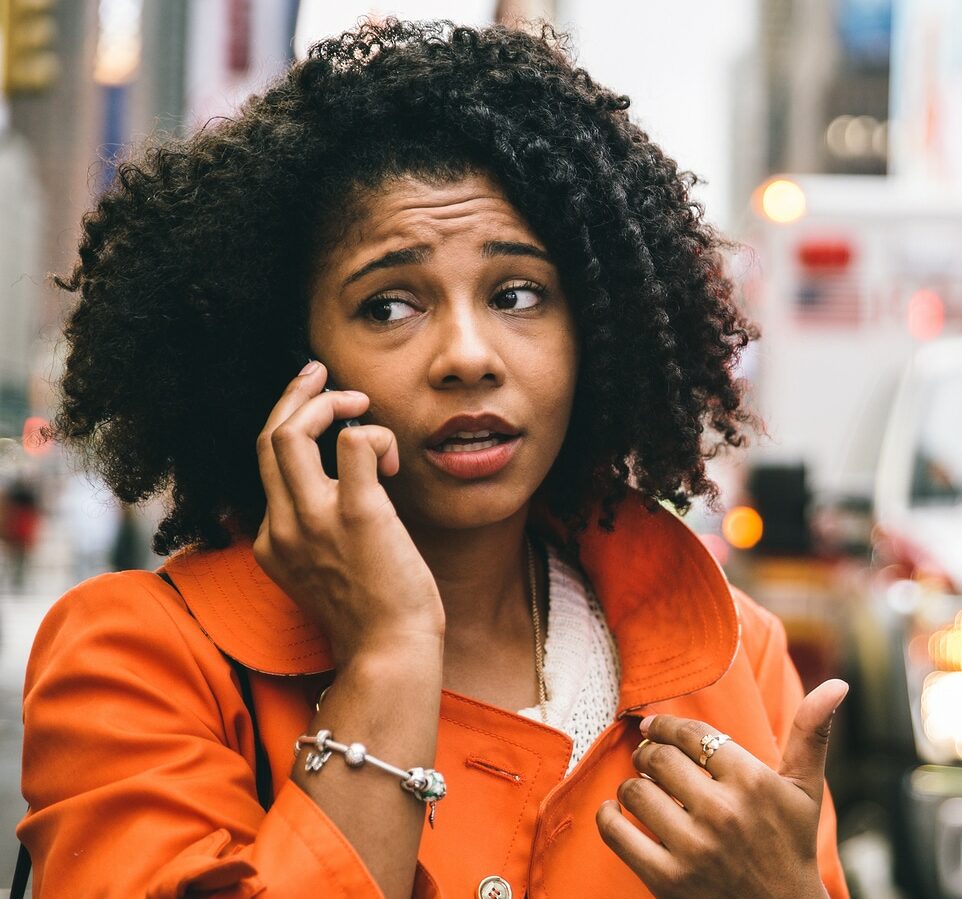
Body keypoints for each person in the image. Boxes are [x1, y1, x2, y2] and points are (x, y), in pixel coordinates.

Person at [20, 20, 850, 898]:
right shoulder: (138, 657)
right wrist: (388, 656)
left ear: (595, 333)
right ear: (281, 354)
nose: (467, 354)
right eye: (388, 305)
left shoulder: (731, 656)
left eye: (517, 293)